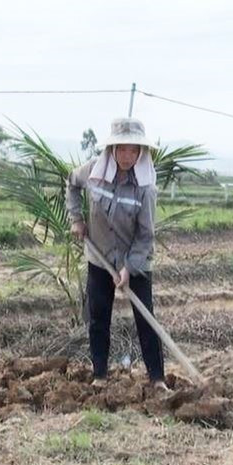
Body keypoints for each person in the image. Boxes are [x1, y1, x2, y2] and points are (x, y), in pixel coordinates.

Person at [66, 117, 169, 391]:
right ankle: (99, 374)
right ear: (112, 150)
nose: (127, 156)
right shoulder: (93, 172)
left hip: (136, 260)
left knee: (146, 318)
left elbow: (146, 235)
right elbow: (71, 184)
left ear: (141, 152)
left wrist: (128, 268)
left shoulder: (145, 188)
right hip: (99, 256)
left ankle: (157, 378)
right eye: (122, 149)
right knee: (99, 316)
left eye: (133, 150)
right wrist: (76, 219)